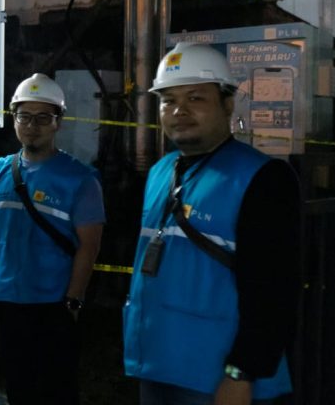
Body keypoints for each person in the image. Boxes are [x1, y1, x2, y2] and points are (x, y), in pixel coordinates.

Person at [123, 42, 300, 405]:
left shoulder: (262, 178)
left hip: (219, 378)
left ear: (227, 103)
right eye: (168, 100)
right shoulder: (160, 172)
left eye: (196, 98)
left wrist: (242, 372)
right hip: (156, 364)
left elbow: (275, 288)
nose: (179, 111)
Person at [0, 73, 105, 405]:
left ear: (58, 122)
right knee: (20, 389)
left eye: (43, 117)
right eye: (24, 116)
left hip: (55, 305)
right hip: (8, 302)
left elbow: (90, 246)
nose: (31, 125)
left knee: (58, 391)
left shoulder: (80, 179)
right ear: (14, 119)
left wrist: (73, 300)